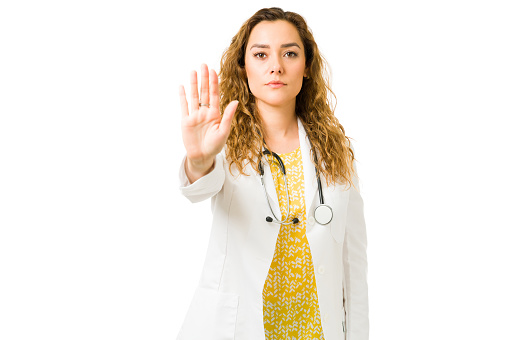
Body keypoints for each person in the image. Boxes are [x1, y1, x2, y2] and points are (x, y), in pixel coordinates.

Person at [177, 7, 368, 340]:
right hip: (242, 327)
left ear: (307, 67)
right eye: (261, 54)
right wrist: (198, 158)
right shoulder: (223, 140)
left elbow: (353, 267)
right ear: (243, 67)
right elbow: (199, 186)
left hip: (313, 330)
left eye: (290, 53)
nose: (275, 66)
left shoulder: (334, 152)